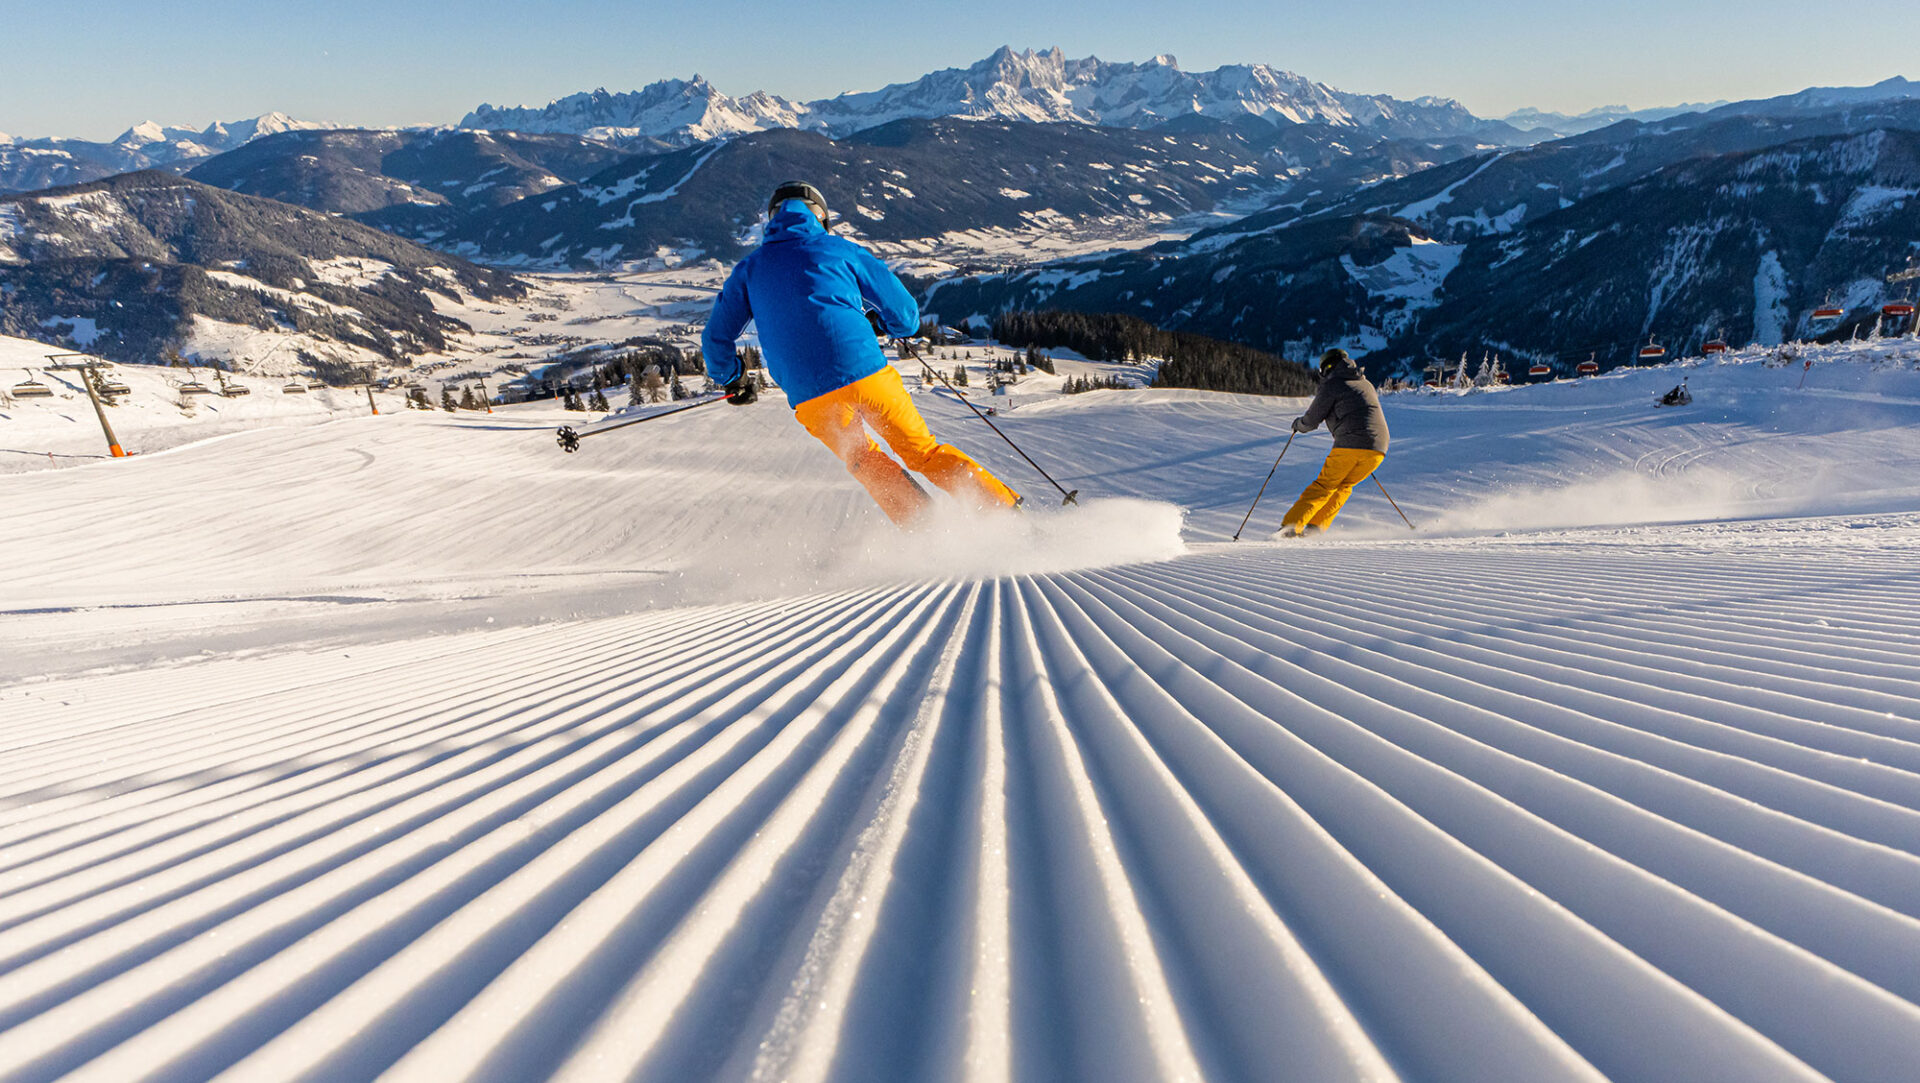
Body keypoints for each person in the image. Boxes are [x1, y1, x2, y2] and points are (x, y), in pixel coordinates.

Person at [703, 181, 1021, 527]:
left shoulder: (748, 270)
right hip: (867, 376)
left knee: (863, 459)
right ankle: (1006, 516)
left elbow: (716, 338)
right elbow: (906, 316)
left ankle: (926, 532)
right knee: (922, 452)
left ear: (772, 218)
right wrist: (883, 324)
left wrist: (733, 378)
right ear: (821, 218)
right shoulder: (842, 250)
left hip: (811, 397)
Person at [1279, 348, 1391, 537]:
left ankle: (1289, 529)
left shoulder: (1333, 385)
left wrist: (1298, 425)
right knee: (1344, 486)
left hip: (1351, 445)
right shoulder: (1366, 384)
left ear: (1326, 368)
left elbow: (1311, 420)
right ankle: (1315, 529)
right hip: (1378, 449)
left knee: (1324, 486)